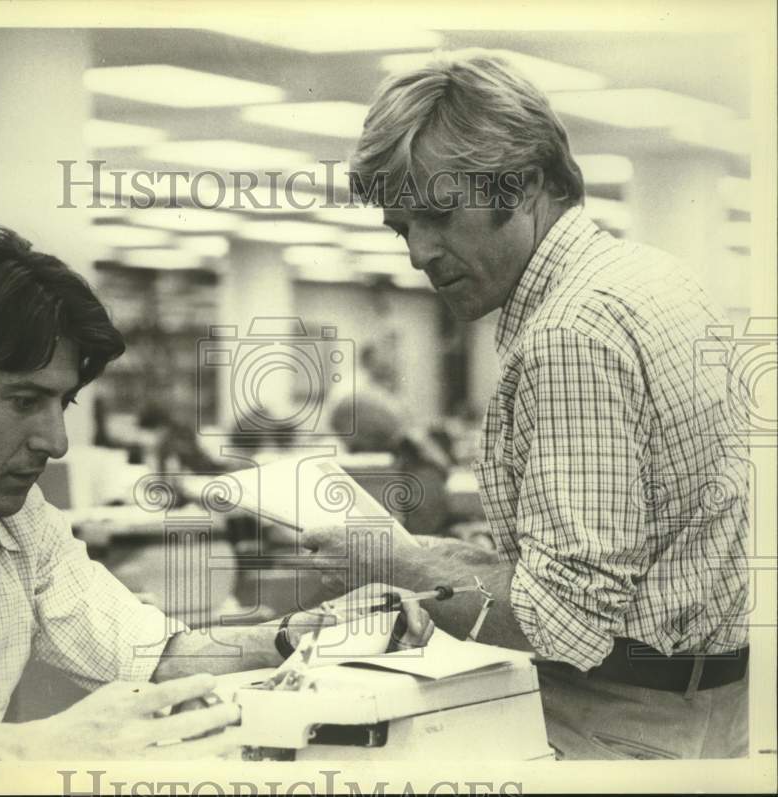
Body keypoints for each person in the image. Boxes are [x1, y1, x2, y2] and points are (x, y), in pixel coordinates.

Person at [0, 227, 431, 758]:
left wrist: (298, 635)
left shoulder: (16, 524)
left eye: (62, 404)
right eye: (23, 401)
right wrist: (34, 749)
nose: (55, 442)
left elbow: (148, 652)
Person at [301, 49, 750, 760]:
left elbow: (567, 618)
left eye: (439, 214)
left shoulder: (568, 333)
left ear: (527, 181)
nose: (419, 252)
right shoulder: (653, 278)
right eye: (401, 227)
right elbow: (624, 554)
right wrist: (435, 556)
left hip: (618, 723)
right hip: (709, 707)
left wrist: (397, 565)